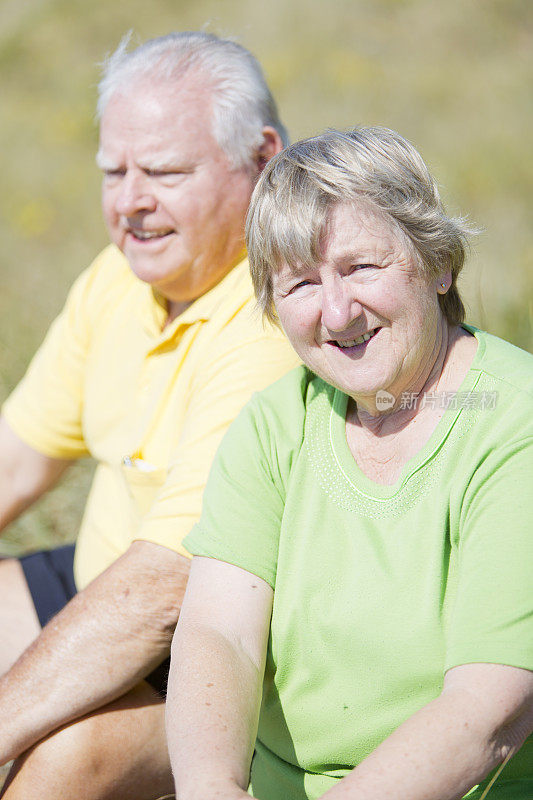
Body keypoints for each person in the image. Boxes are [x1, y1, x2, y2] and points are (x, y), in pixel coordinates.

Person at [166, 127, 533, 800]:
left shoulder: (515, 424)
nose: (336, 311)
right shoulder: (273, 424)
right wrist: (211, 788)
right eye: (301, 282)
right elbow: (219, 634)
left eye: (361, 268)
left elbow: (486, 714)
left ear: (436, 263)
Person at [0, 31, 298, 799]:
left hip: (215, 649)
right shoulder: (116, 280)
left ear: (261, 160)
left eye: (163, 172)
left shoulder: (277, 324)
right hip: (100, 583)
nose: (130, 202)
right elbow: (15, 461)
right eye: (112, 171)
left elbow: (168, 590)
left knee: (61, 762)